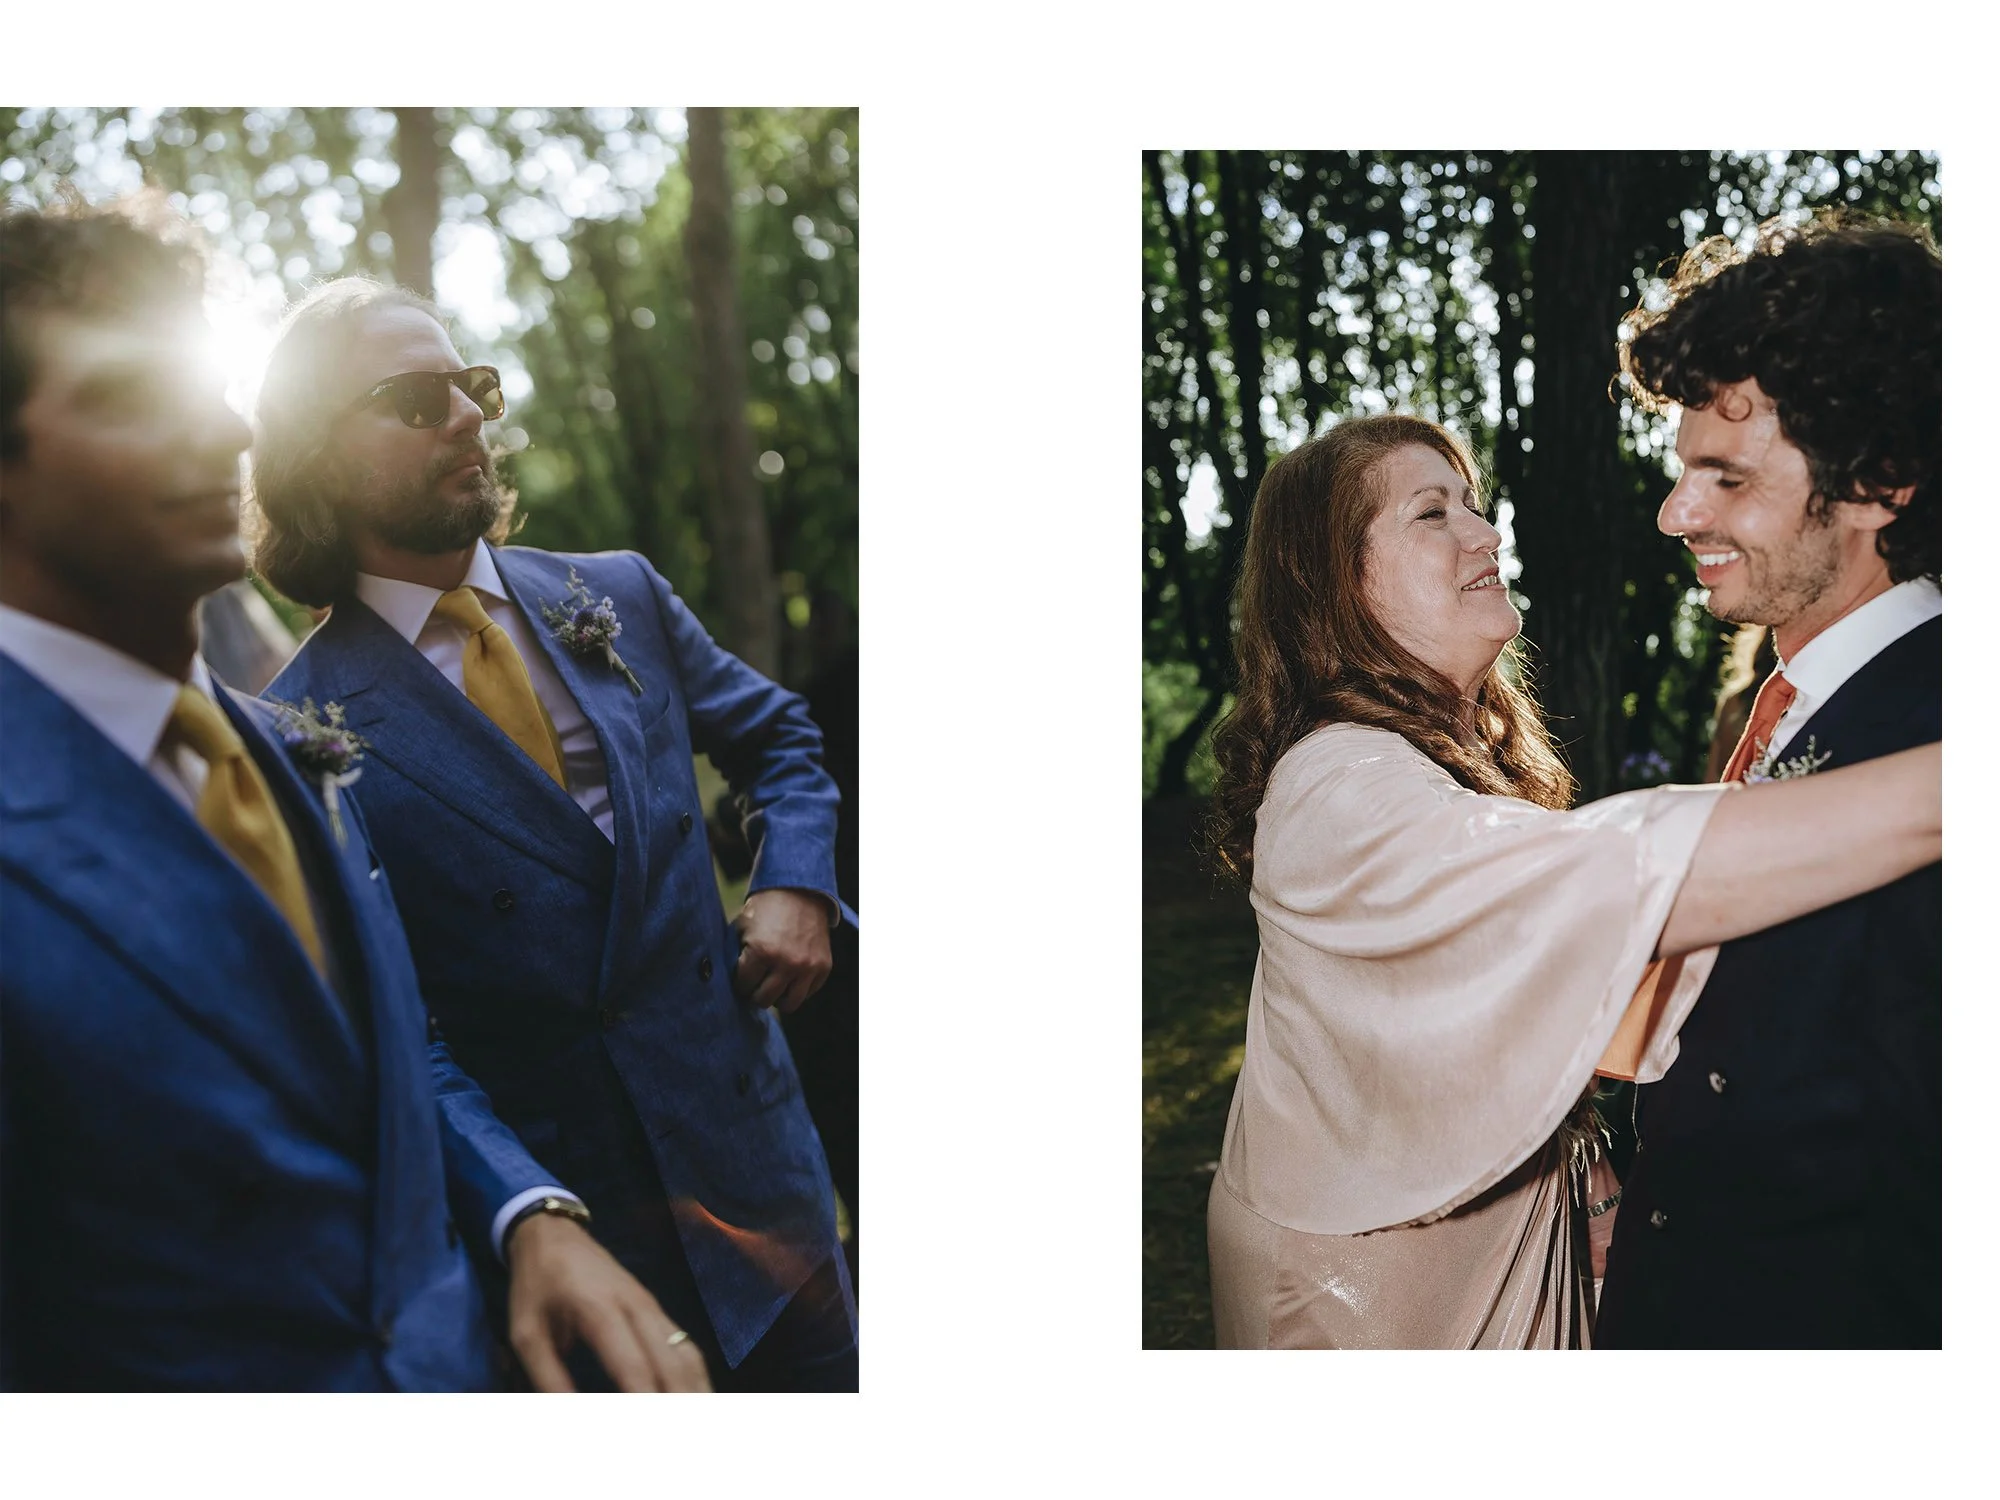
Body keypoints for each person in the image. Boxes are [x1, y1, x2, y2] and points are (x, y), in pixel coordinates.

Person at [0, 195, 708, 1391]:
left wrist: (527, 1217)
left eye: (201, 386)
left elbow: (394, 1055)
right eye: (126, 397)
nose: (218, 433)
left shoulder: (291, 752)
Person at [1201, 412, 1939, 1349]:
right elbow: (1600, 884)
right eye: (1432, 515)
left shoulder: (1437, 759)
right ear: (1333, 583)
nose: (1486, 531)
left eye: (1472, 503)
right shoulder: (1335, 781)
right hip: (1371, 1304)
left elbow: (1462, 1009)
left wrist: (1580, 1165)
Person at [247, 278, 857, 1390]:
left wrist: (797, 883)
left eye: (469, 386)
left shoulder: (615, 591)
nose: (469, 415)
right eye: (412, 398)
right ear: (313, 453)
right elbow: (391, 1025)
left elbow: (778, 740)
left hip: (766, 1187)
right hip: (580, 1248)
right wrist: (525, 1210)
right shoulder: (294, 731)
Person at [1595, 212, 1941, 1348]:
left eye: (1723, 477)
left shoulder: (1937, 720)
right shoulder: (1777, 702)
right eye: (1680, 469)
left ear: (1880, 480)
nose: (1673, 513)